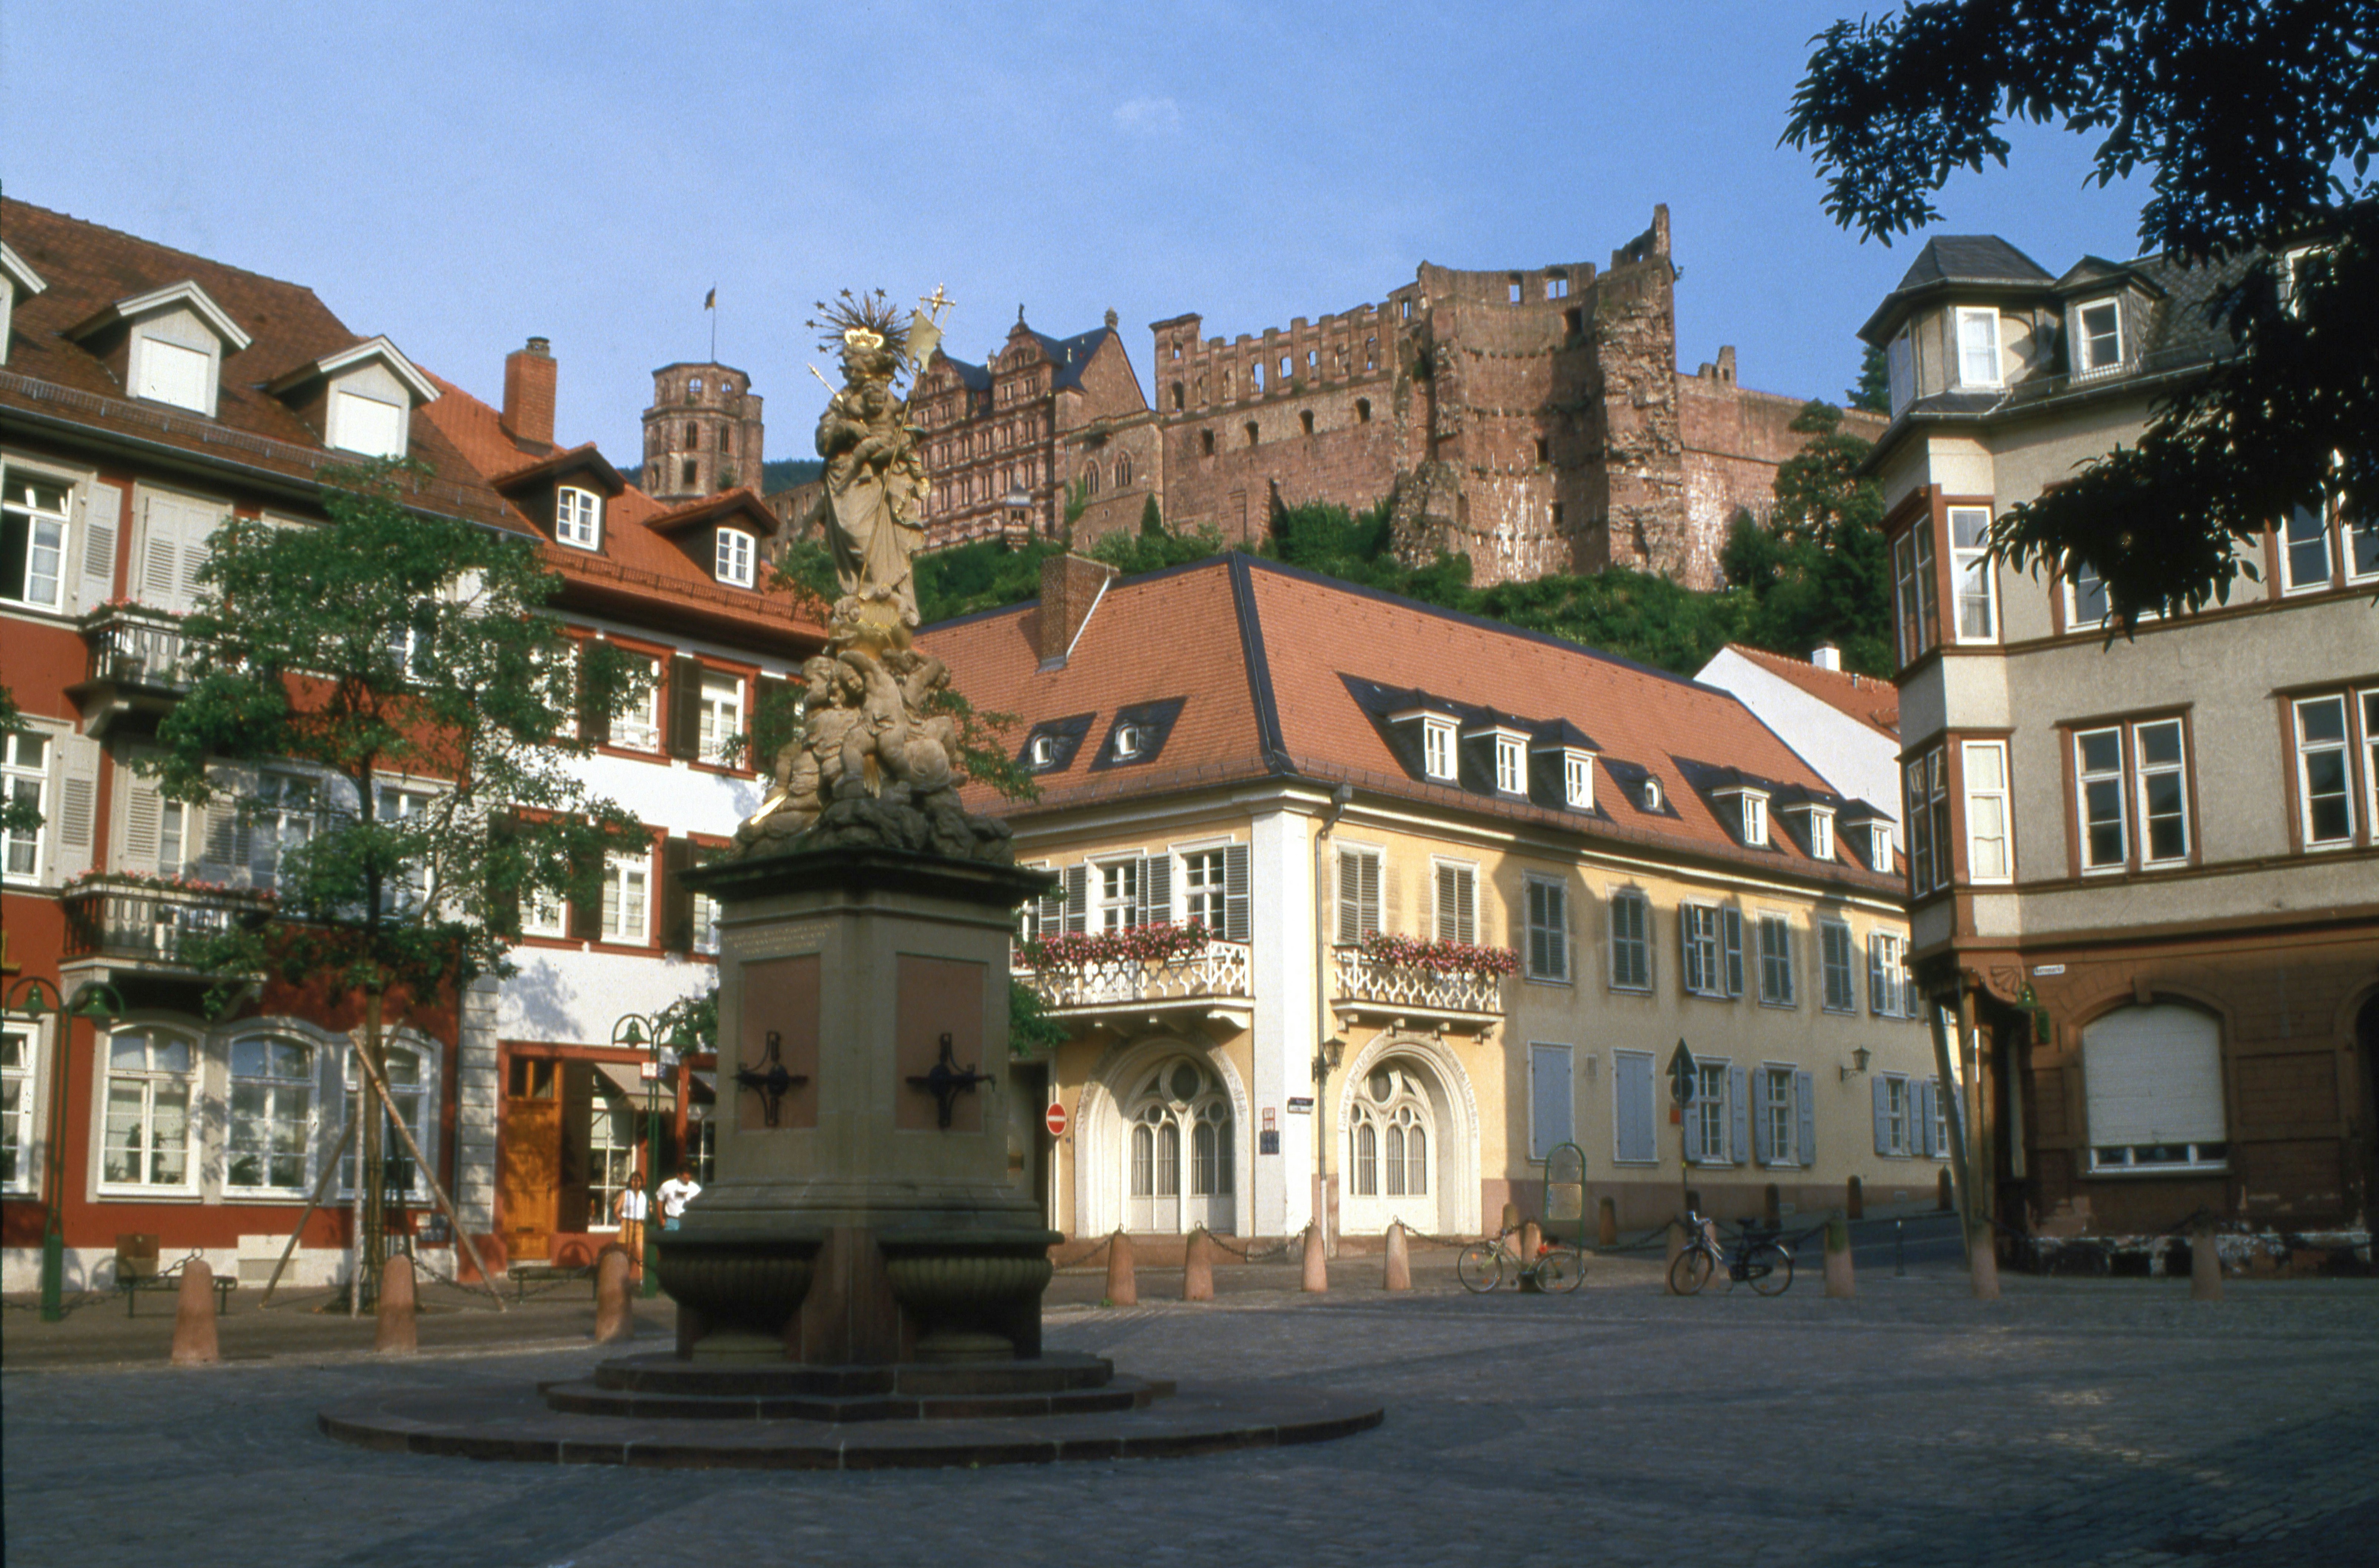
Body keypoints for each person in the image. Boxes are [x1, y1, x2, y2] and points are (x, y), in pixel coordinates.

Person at [611, 1163, 650, 1274]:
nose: (636, 1183)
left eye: (639, 1181)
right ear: (630, 1182)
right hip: (628, 1223)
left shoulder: (645, 1195)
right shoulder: (626, 1194)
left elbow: (651, 1209)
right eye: (634, 1181)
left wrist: (649, 1216)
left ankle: (643, 1281)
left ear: (642, 1183)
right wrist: (621, 1219)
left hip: (641, 1224)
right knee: (626, 1253)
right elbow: (616, 1209)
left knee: (641, 1252)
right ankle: (624, 1278)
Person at [655, 1166, 702, 1232]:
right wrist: (661, 1220)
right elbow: (660, 1201)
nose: (688, 1177)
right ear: (679, 1175)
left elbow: (700, 1205)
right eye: (685, 1175)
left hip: (688, 1222)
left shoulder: (696, 1188)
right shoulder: (668, 1185)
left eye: (689, 1175)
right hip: (672, 1220)